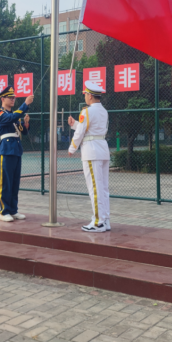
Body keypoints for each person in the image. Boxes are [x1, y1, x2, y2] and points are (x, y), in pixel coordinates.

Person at [68, 81, 111, 233]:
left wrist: (72, 147)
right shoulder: (103, 111)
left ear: (90, 96)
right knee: (103, 188)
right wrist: (75, 124)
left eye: (86, 94)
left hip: (91, 152)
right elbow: (90, 128)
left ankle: (98, 223)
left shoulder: (86, 111)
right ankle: (105, 220)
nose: (85, 97)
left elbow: (81, 132)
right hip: (102, 149)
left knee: (95, 188)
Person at [0, 86, 34, 222]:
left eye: (14, 97)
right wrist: (25, 104)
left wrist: (26, 123)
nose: (13, 99)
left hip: (16, 150)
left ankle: (13, 210)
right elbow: (11, 118)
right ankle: (4, 211)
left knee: (15, 182)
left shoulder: (14, 116)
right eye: (10, 97)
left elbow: (23, 131)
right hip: (6, 150)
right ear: (2, 99)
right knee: (6, 182)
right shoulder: (0, 113)